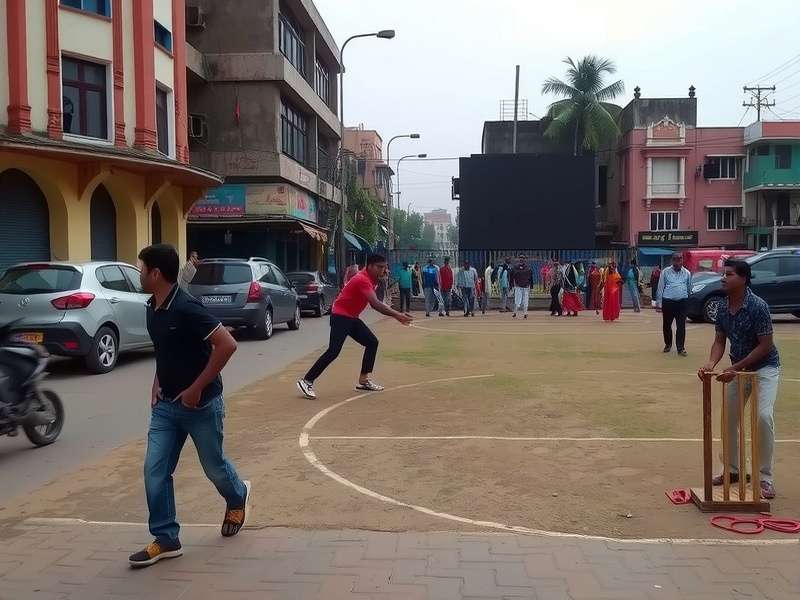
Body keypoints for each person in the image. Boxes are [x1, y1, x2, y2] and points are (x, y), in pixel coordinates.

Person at [129, 244, 249, 568]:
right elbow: (166, 350)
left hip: (202, 406)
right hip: (166, 407)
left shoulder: (187, 307)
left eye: (141, 268)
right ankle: (166, 538)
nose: (138, 273)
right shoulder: (152, 307)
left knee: (214, 468)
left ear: (155, 273)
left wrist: (197, 387)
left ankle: (237, 497)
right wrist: (157, 381)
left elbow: (227, 344)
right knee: (154, 471)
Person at [698, 259, 780, 500]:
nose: (724, 278)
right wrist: (711, 363)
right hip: (738, 369)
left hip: (764, 368)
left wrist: (735, 367)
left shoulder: (758, 306)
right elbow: (720, 340)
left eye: (729, 274)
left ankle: (764, 477)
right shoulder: (723, 308)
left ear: (743, 279)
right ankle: (733, 471)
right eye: (724, 274)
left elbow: (766, 346)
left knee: (763, 417)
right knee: (728, 417)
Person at [297, 254, 413, 400]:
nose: (383, 270)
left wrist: (382, 279)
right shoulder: (362, 279)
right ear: (369, 266)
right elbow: (375, 304)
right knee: (333, 351)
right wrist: (398, 315)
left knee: (372, 342)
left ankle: (364, 380)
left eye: (385, 267)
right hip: (340, 316)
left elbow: (374, 297)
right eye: (380, 267)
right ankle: (306, 381)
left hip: (351, 317)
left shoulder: (373, 278)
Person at [657, 252, 692, 356]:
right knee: (667, 325)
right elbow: (660, 287)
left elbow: (689, 287)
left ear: (682, 260)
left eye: (680, 259)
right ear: (672, 260)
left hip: (682, 302)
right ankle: (668, 344)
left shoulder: (687, 273)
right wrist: (659, 303)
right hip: (668, 302)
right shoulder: (665, 272)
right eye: (675, 259)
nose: (678, 261)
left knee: (681, 326)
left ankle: (680, 348)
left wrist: (687, 301)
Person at [511, 254, 533, 319]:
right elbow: (512, 277)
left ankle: (525, 313)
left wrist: (531, 286)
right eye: (520, 258)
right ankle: (515, 313)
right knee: (517, 300)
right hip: (518, 286)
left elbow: (531, 278)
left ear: (524, 259)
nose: (521, 259)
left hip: (526, 287)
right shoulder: (515, 267)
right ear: (518, 259)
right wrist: (512, 285)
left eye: (523, 258)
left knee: (525, 301)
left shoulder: (528, 268)